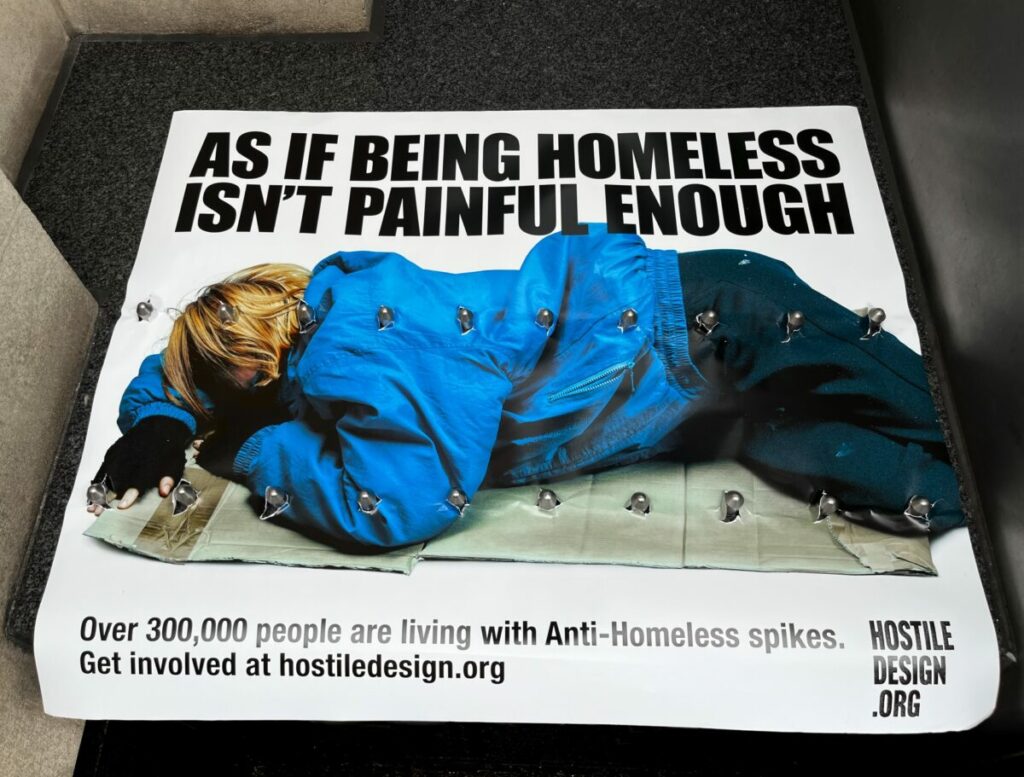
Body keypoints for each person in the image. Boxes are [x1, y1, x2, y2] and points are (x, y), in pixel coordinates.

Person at [88, 225, 965, 548]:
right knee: (852, 461)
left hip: (712, 317)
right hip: (690, 393)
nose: (218, 403)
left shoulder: (343, 359)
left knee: (958, 424)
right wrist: (162, 419)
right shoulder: (324, 311)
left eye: (216, 386)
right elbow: (183, 375)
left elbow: (401, 503)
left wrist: (254, 451)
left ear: (250, 364)